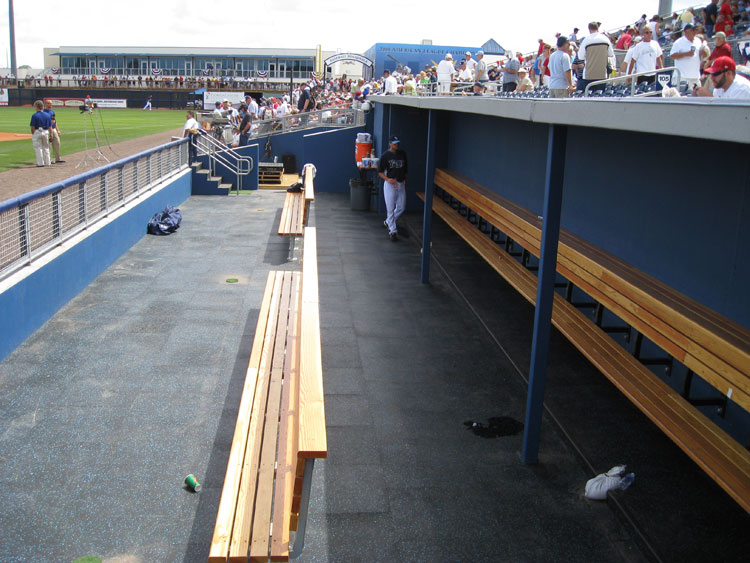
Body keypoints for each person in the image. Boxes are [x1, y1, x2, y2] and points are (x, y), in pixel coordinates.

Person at [378, 135, 407, 242]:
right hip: (390, 183)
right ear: (390, 143)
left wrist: (405, 181)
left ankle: (388, 222)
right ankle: (393, 231)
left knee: (401, 207)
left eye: (397, 142)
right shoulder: (385, 156)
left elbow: (405, 169)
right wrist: (388, 179)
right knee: (390, 208)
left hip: (400, 182)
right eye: (394, 143)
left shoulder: (402, 154)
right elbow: (380, 172)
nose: (396, 144)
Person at [579, 21, 615, 92]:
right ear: (597, 28)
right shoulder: (605, 39)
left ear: (589, 29)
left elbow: (581, 57)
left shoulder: (586, 40)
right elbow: (611, 54)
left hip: (588, 75)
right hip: (602, 74)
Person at [670, 24, 705, 89]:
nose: (694, 32)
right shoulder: (678, 42)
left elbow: (702, 54)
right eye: (692, 30)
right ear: (685, 32)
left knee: (697, 97)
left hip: (695, 77)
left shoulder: (698, 41)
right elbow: (672, 56)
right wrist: (686, 54)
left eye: (695, 30)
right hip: (682, 77)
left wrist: (703, 53)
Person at [30, 100, 52, 167]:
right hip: (45, 132)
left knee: (38, 148)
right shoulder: (48, 115)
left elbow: (32, 127)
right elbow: (50, 126)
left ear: (36, 106)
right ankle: (48, 162)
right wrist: (51, 134)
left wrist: (33, 133)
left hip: (37, 131)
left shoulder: (34, 115)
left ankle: (40, 163)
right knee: (46, 147)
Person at [43, 99, 64, 164]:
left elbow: (54, 121)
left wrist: (58, 130)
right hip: (47, 129)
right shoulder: (43, 112)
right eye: (49, 104)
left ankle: (57, 158)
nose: (50, 105)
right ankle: (48, 159)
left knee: (57, 143)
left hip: (53, 128)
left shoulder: (52, 111)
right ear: (45, 104)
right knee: (48, 144)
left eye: (51, 104)